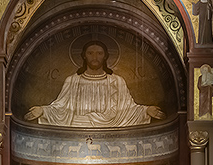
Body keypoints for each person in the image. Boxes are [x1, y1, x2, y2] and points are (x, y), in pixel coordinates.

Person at [25, 40, 164, 127]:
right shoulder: (72, 81)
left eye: (99, 53)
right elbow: (60, 108)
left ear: (105, 56)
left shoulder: (117, 81)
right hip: (77, 128)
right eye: (90, 53)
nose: (95, 57)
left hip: (111, 129)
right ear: (84, 56)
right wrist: (43, 111)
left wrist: (146, 111)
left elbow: (128, 109)